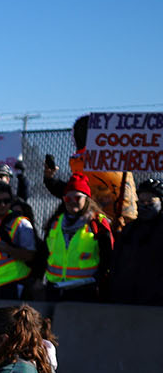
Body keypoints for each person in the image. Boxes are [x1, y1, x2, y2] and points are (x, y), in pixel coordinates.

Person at [44, 115, 136, 231]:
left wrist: (50, 180)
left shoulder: (86, 161)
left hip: (107, 229)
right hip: (128, 225)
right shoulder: (116, 158)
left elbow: (75, 193)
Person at [40, 173, 113, 302]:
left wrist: (99, 280)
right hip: (55, 288)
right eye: (68, 198)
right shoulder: (56, 222)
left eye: (77, 197)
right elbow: (45, 252)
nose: (72, 201)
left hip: (84, 290)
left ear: (87, 199)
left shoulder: (97, 223)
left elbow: (108, 257)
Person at [110, 178, 163, 305]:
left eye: (150, 202)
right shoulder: (130, 229)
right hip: (128, 297)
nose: (144, 205)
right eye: (141, 201)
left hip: (156, 301)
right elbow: (117, 261)